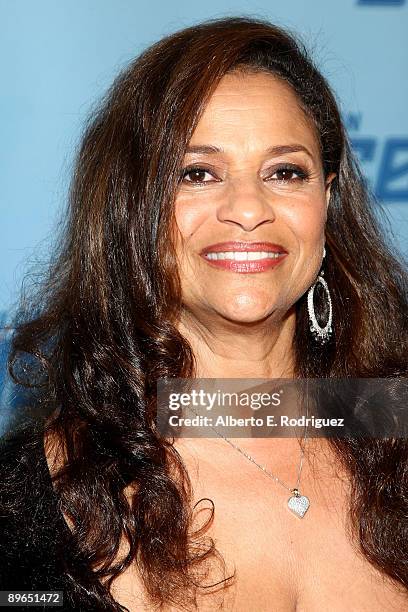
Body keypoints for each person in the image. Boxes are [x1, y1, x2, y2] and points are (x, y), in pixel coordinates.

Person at [1, 15, 408, 612]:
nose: (248, 208)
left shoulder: (390, 427)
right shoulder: (23, 505)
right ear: (133, 208)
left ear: (327, 201)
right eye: (198, 173)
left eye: (284, 171)